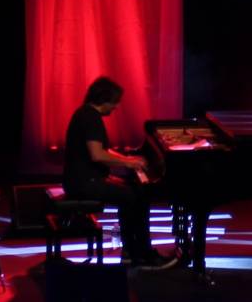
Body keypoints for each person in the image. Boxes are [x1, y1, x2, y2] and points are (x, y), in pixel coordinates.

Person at [63, 76, 179, 270]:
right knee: (136, 196)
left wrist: (127, 159)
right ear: (105, 100)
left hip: (82, 179)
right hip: (84, 183)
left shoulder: (84, 114)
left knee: (132, 192)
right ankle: (142, 255)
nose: (116, 107)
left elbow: (102, 150)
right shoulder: (91, 118)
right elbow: (97, 155)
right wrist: (129, 162)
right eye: (115, 102)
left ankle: (130, 252)